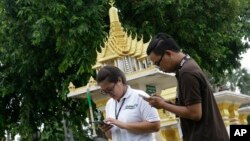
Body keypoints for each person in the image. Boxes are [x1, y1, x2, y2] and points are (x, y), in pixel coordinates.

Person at [145, 33, 229, 141]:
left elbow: (195, 113)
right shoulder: (187, 66)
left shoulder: (187, 72)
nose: (160, 68)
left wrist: (163, 105)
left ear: (168, 53)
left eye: (158, 63)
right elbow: (190, 106)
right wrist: (165, 103)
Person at [96, 66, 160, 141]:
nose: (109, 94)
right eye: (105, 92)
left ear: (119, 80)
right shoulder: (109, 104)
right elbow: (112, 137)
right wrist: (106, 130)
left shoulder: (140, 97)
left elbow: (155, 126)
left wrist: (124, 125)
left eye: (110, 89)